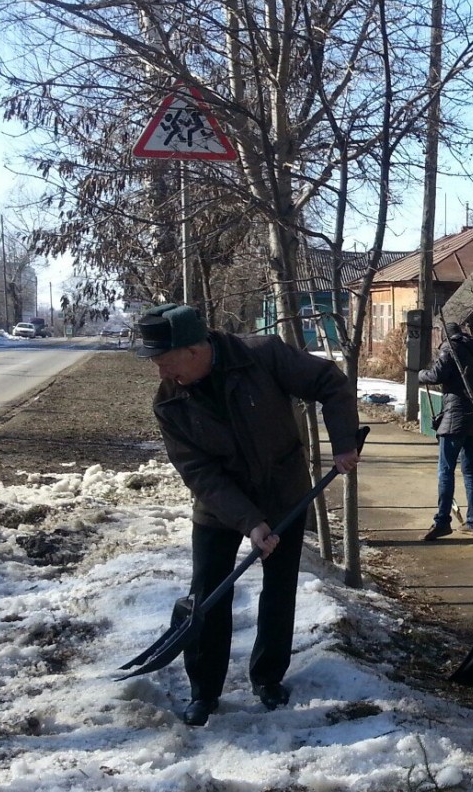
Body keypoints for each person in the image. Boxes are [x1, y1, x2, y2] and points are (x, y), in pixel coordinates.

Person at [137, 303, 361, 727]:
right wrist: (249, 522)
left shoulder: (263, 356)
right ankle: (204, 691)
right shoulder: (170, 403)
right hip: (220, 505)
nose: (161, 373)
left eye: (165, 362)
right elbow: (199, 472)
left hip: (283, 494)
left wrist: (345, 442)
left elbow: (330, 382)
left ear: (194, 349)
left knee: (279, 591)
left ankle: (268, 678)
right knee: (208, 594)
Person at [417, 321, 473, 540]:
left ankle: (442, 521)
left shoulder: (450, 347)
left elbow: (437, 375)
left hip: (455, 418)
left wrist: (421, 374)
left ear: (444, 335)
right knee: (470, 472)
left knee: (445, 471)